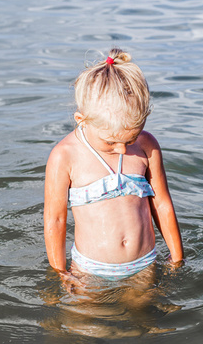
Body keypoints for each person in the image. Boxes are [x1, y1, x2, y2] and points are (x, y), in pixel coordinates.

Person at [44, 47, 183, 291]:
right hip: (89, 271)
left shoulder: (146, 146)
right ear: (81, 120)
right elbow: (55, 219)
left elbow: (162, 204)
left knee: (144, 322)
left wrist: (176, 258)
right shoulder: (64, 156)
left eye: (130, 139)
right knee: (85, 326)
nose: (122, 149)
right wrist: (61, 272)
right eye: (110, 141)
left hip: (144, 264)